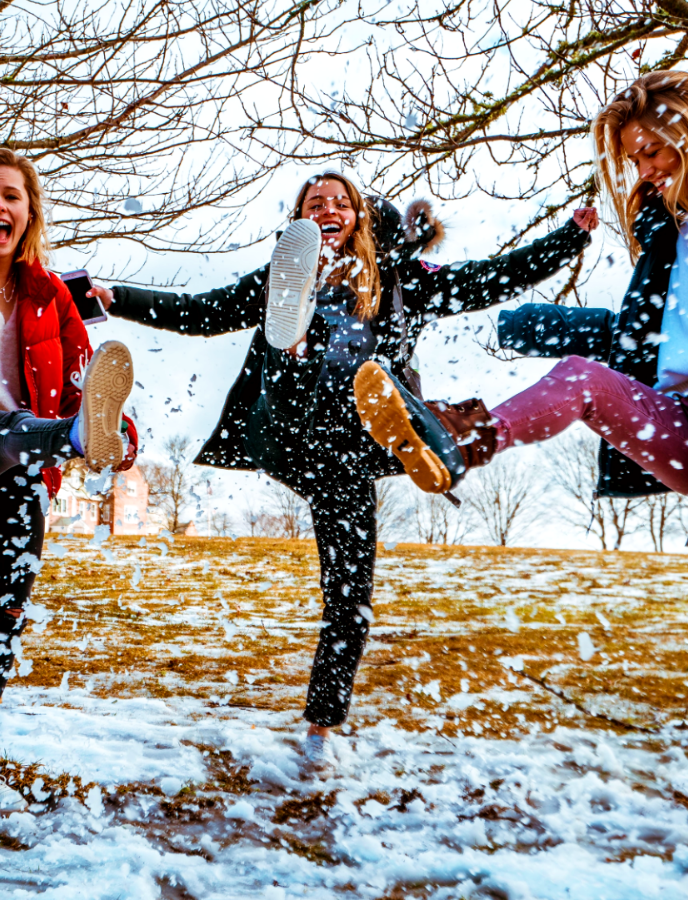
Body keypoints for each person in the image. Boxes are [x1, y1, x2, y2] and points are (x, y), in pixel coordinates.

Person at [362, 71, 688, 881]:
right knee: (582, 374)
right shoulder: (662, 233)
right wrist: (532, 326)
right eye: (633, 158)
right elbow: (637, 341)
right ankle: (462, 444)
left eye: (653, 151)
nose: (645, 169)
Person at [89, 171, 595, 769]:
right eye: (314, 204)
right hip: (298, 432)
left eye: (340, 202)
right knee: (312, 353)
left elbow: (482, 280)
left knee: (350, 592)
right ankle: (304, 345)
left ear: (359, 215)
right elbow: (204, 311)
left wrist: (566, 240)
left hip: (356, 444)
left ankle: (321, 726)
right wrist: (117, 298)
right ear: (299, 223)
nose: (329, 208)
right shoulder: (280, 273)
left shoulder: (401, 277)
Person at [0, 150, 137, 811]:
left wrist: (122, 436)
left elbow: (90, 375)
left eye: (11, 197)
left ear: (28, 214)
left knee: (3, 620)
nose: (0, 206)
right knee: (33, 430)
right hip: (23, 443)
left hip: (21, 483)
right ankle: (73, 437)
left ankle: (79, 437)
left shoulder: (50, 294)